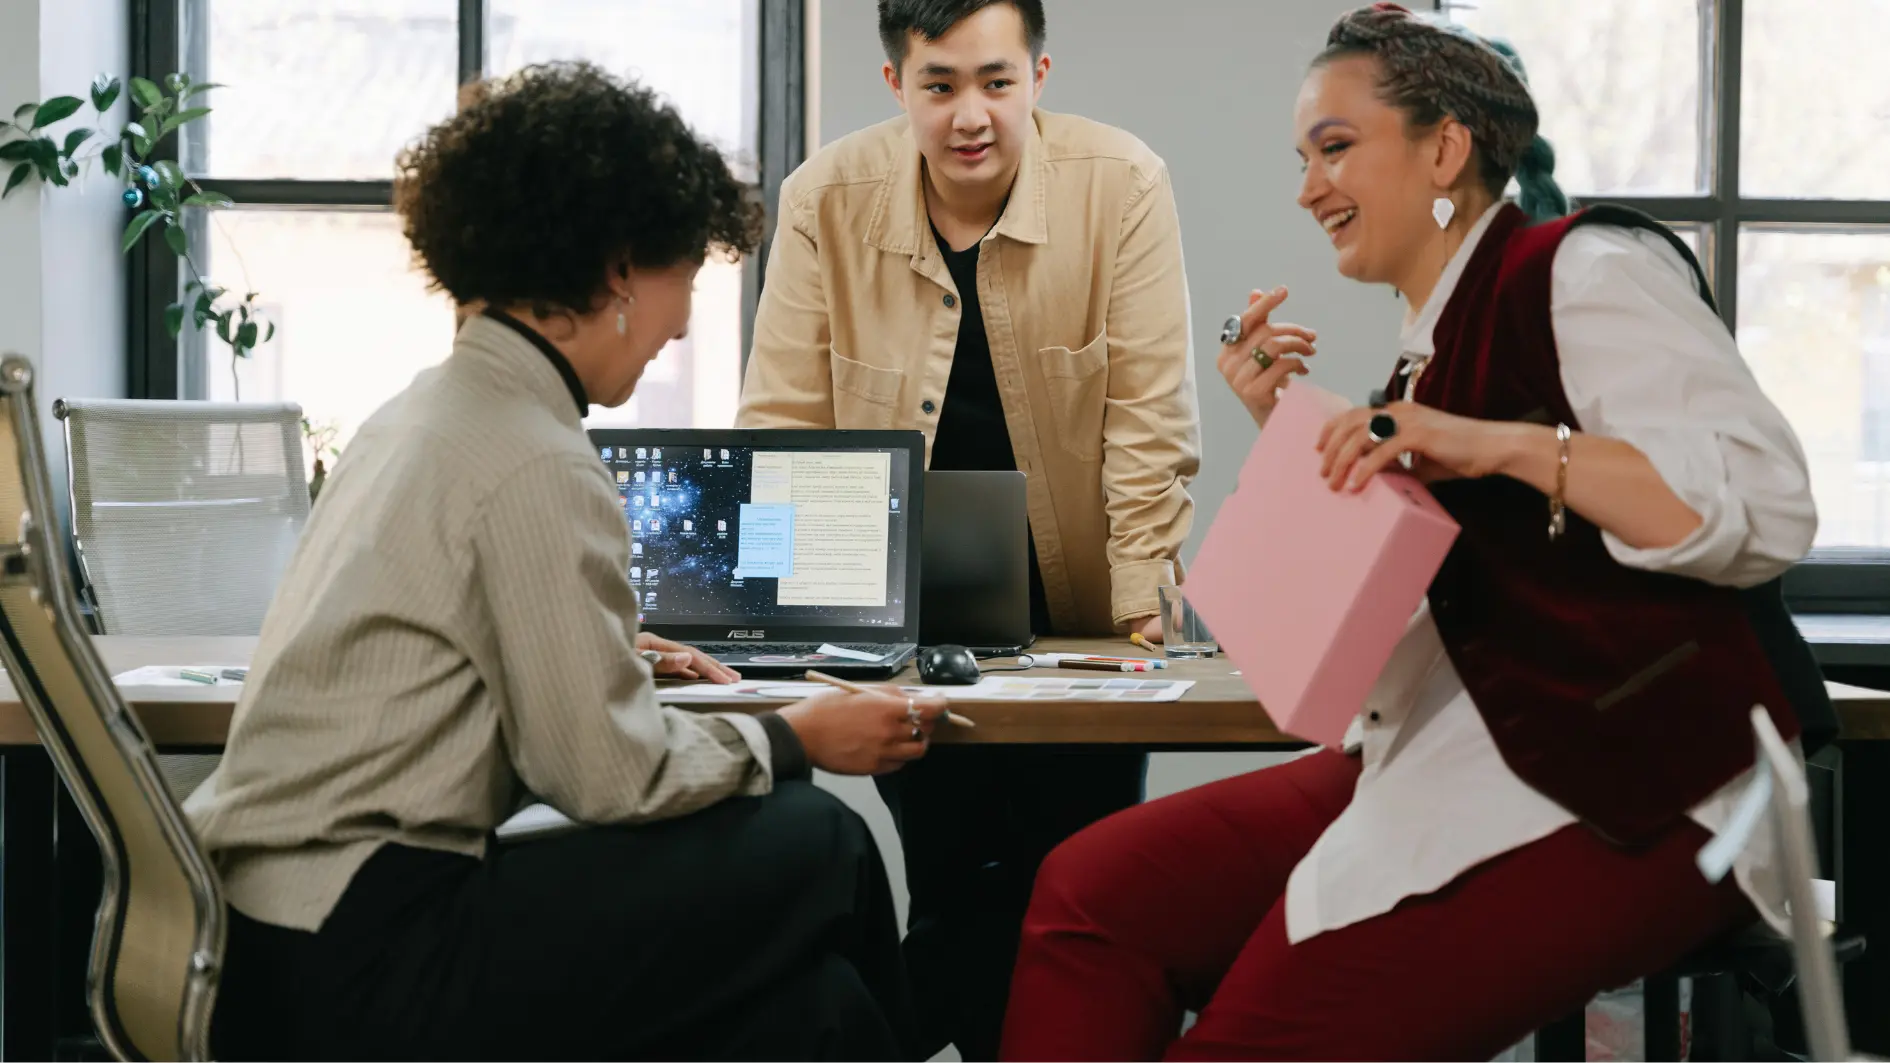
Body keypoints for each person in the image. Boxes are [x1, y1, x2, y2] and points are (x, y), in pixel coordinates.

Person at [1000, 5, 1838, 1059]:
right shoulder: (1426, 353)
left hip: (1643, 782)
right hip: (1460, 748)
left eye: (1335, 148)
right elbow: (1410, 614)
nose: (1308, 187)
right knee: (1089, 894)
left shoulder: (1583, 270)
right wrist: (1286, 421)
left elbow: (1765, 503)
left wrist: (1493, 445)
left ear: (1445, 149)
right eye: (1303, 159)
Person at [188, 61, 951, 1062]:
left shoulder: (422, 414)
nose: (684, 321)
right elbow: (607, 775)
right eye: (686, 277)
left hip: (260, 942)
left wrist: (599, 651)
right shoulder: (537, 456)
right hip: (369, 952)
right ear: (619, 271)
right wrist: (794, 735)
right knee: (820, 838)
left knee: (815, 1014)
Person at [737, 1, 1202, 1056]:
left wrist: (1143, 607)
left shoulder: (1121, 183)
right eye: (940, 86)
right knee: (954, 885)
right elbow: (785, 424)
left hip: (1082, 618)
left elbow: (1148, 417)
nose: (971, 116)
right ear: (895, 84)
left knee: (1078, 887)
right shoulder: (824, 198)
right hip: (899, 622)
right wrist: (776, 624)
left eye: (997, 82)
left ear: (1040, 73)